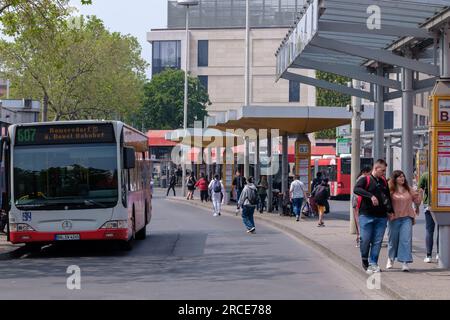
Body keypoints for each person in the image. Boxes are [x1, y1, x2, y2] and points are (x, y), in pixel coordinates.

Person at [354, 159, 392, 274]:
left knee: (377, 241)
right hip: (366, 215)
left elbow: (387, 197)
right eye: (383, 170)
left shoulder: (384, 181)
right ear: (376, 168)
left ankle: (373, 263)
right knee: (365, 239)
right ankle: (365, 259)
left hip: (381, 216)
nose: (384, 173)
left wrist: (390, 211)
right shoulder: (365, 179)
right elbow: (356, 189)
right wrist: (371, 196)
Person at [386, 170, 422, 272]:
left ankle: (405, 262)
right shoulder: (390, 190)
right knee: (393, 240)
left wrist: (419, 194)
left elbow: (417, 200)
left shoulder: (408, 189)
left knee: (406, 240)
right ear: (395, 179)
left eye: (403, 177)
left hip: (407, 218)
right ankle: (391, 258)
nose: (402, 178)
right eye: (399, 177)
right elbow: (385, 202)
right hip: (394, 218)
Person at [419, 172, 439, 263]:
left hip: (428, 205)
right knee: (442, 229)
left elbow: (420, 190)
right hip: (443, 204)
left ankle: (429, 255)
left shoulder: (426, 175)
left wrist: (417, 205)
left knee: (429, 230)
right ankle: (440, 253)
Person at [352, 167, 372, 247]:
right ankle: (361, 239)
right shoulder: (364, 179)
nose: (370, 175)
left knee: (358, 221)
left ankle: (359, 239)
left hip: (356, 202)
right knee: (361, 222)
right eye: (369, 173)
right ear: (365, 172)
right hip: (360, 203)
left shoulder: (359, 178)